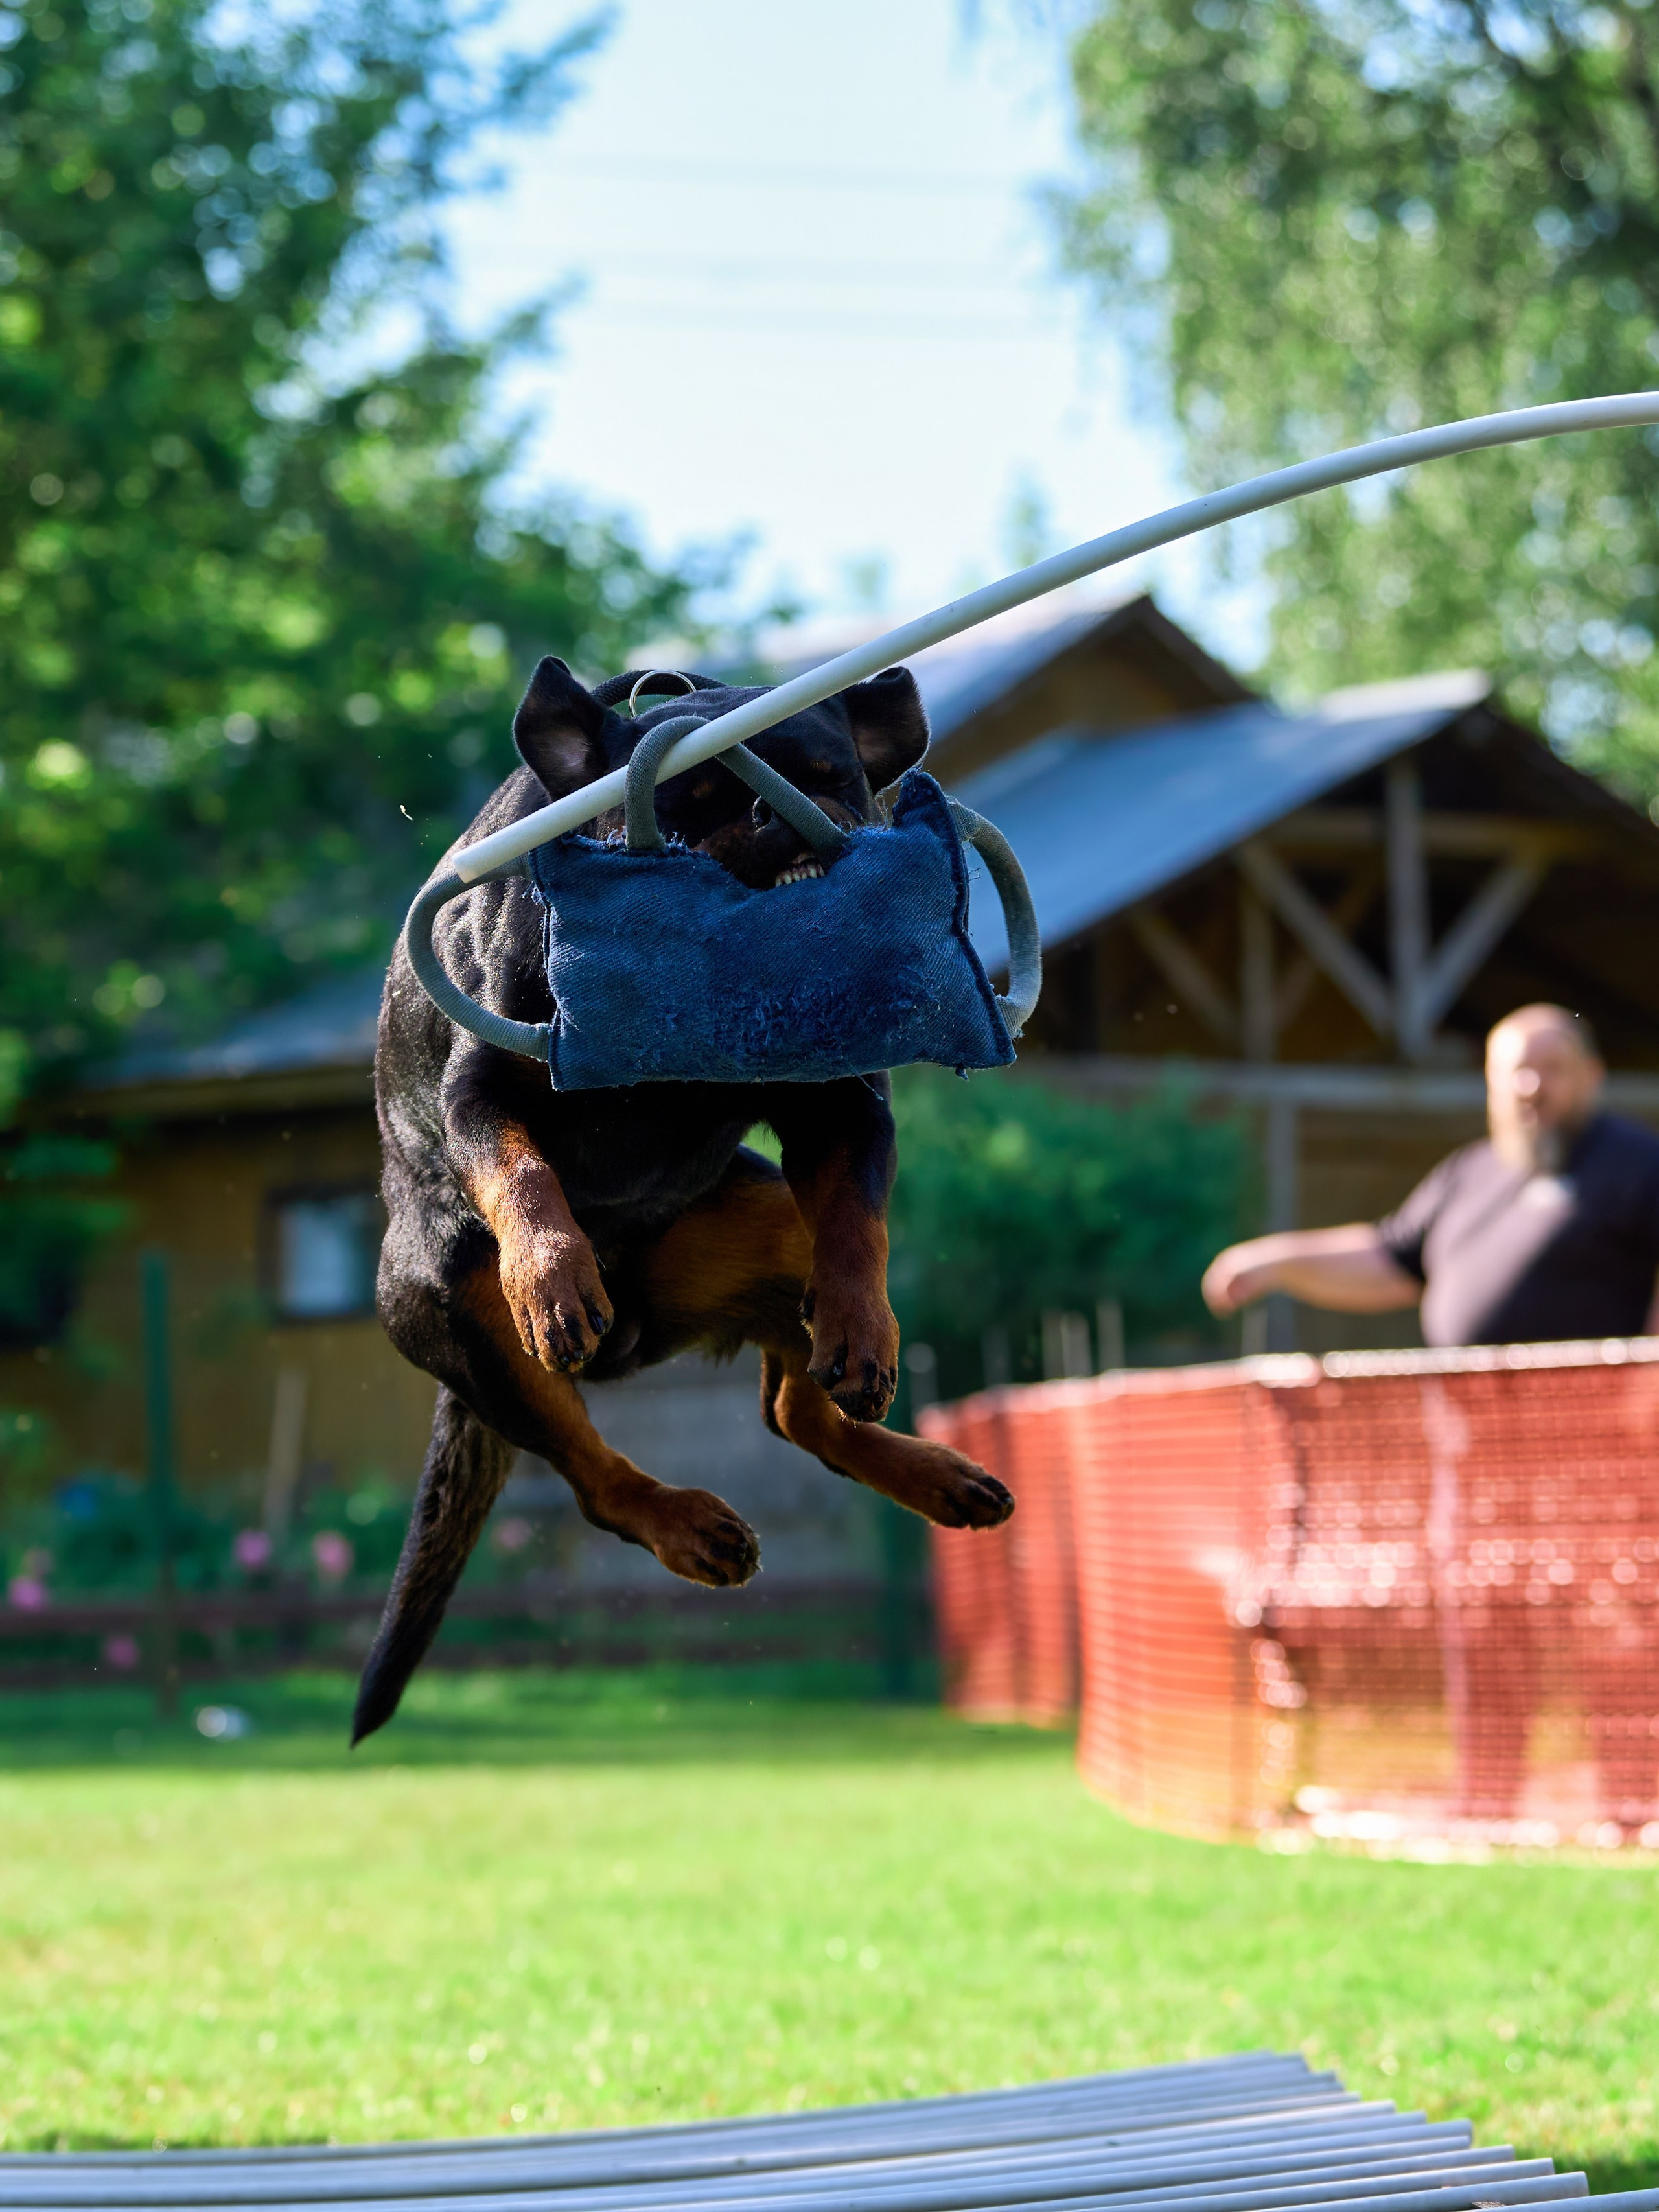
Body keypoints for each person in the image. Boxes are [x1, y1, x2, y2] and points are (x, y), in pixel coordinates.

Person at [1203, 1003, 1659, 1345]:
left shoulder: (1639, 1163)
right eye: (1517, 1070)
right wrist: (1278, 1260)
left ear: (1593, 1075)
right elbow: (1394, 1261)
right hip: (1470, 1441)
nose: (1531, 1088)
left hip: (1601, 1445)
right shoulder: (1468, 1172)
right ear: (1491, 1081)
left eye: (1553, 1069)